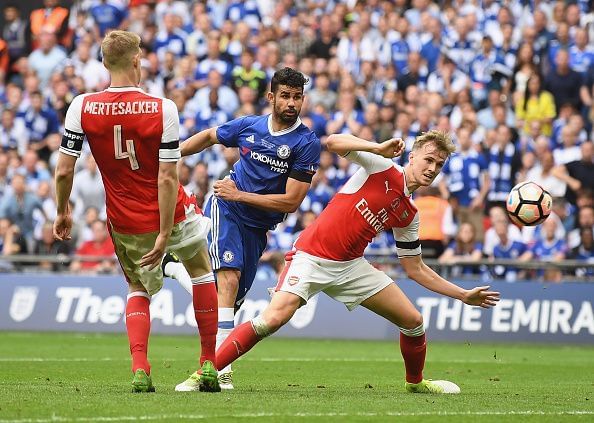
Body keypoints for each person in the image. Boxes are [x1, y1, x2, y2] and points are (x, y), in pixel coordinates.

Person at [187, 131, 500, 394]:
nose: (432, 168)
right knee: (272, 319)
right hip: (311, 255)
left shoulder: (409, 214)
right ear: (413, 156)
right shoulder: (381, 167)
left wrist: (463, 295)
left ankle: (415, 383)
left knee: (414, 321)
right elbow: (333, 142)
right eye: (428, 159)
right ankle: (207, 370)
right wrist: (376, 147)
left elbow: (414, 268)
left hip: (351, 266)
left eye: (439, 165)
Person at [53, 30, 220, 393]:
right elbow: (166, 177)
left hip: (125, 220)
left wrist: (63, 210)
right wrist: (164, 232)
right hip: (170, 214)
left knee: (136, 286)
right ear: (135, 61)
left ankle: (141, 369)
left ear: (103, 63)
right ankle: (209, 363)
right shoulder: (163, 108)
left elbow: (65, 169)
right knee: (202, 272)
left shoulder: (82, 106)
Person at [166, 67, 321, 390]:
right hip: (227, 207)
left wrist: (242, 194)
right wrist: (172, 155)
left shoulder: (306, 143)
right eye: (285, 96)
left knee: (228, 300)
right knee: (228, 281)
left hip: (257, 226)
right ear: (271, 97)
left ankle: (176, 269)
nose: (292, 103)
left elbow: (291, 202)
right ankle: (220, 370)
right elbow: (211, 136)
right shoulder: (249, 126)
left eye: (297, 97)